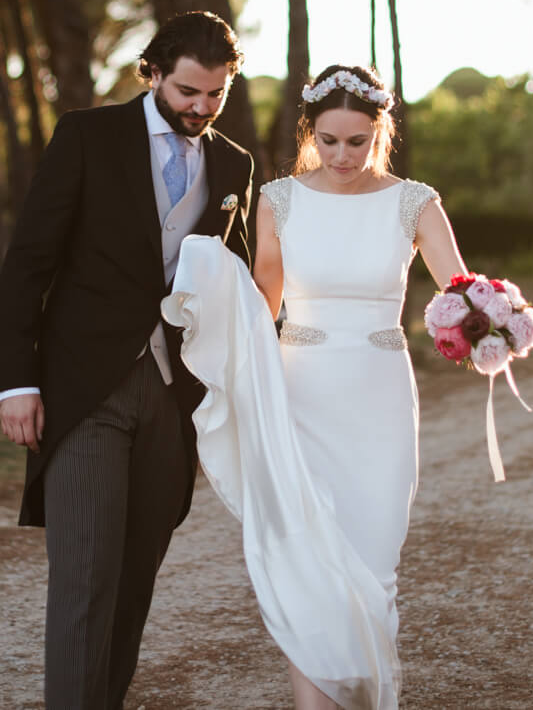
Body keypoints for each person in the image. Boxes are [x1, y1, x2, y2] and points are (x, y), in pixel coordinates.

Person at [163, 63, 469, 710]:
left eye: (356, 141)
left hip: (380, 395)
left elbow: (461, 292)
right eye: (328, 140)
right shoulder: (278, 200)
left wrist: (489, 324)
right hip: (300, 391)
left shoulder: (415, 201)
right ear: (311, 132)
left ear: (378, 132)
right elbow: (263, 304)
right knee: (307, 557)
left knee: (373, 563)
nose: (342, 155)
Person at [0, 10, 256, 710]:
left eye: (215, 95)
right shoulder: (87, 137)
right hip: (85, 389)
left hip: (174, 400)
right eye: (187, 92)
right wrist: (16, 382)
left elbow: (237, 287)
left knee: (135, 577)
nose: (200, 108)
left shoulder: (235, 166)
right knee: (85, 576)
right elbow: (28, 263)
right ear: (154, 74)